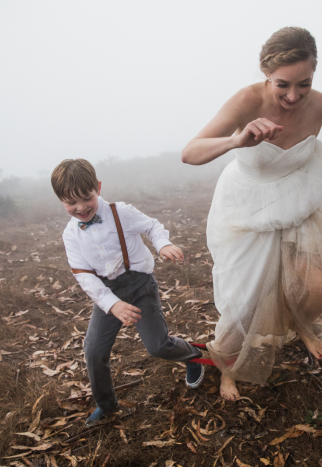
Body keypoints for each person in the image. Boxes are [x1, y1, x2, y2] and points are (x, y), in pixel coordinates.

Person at [182, 27, 322, 401]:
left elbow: (300, 151)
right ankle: (227, 365)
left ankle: (294, 321)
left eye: (303, 83)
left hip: (295, 200)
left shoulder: (321, 105)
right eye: (282, 85)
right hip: (247, 208)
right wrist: (236, 140)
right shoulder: (246, 100)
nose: (293, 96)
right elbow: (190, 152)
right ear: (265, 74)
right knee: (245, 302)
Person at [51, 159, 205, 425]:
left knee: (158, 346)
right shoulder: (70, 234)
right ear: (61, 201)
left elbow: (152, 226)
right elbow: (84, 275)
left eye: (86, 198)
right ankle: (107, 405)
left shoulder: (121, 212)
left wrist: (162, 244)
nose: (80, 208)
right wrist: (112, 304)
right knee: (94, 351)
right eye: (70, 203)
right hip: (107, 293)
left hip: (140, 285)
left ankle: (193, 356)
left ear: (97, 187)